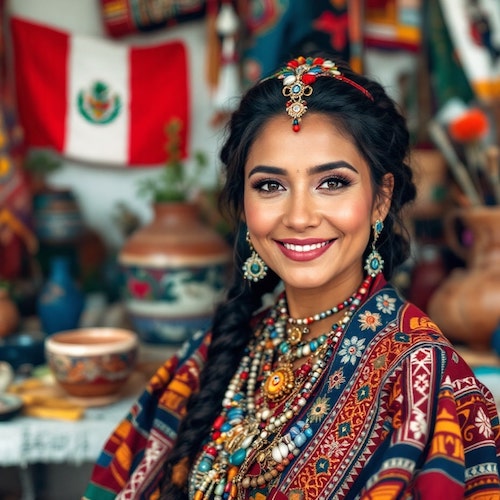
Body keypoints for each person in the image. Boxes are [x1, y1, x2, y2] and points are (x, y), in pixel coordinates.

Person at [83, 54, 500, 500]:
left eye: (333, 182)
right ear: (243, 205)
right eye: (270, 186)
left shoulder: (421, 378)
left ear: (381, 199)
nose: (299, 217)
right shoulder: (217, 352)